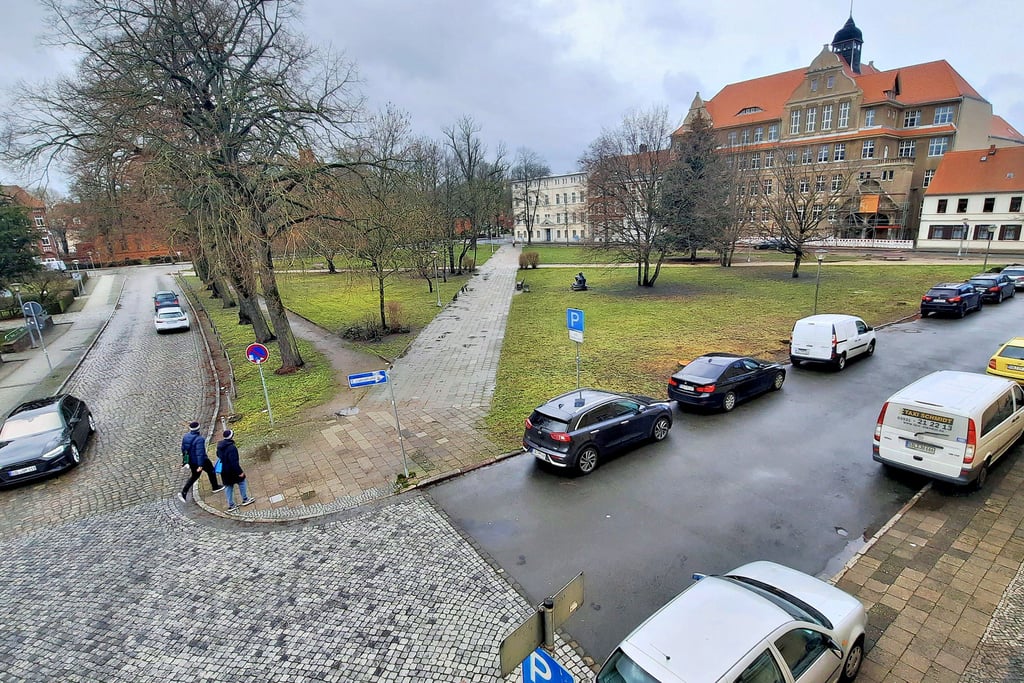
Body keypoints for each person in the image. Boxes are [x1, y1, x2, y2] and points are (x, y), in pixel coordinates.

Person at [178, 421, 223, 502]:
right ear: (198, 428)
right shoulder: (200, 439)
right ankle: (215, 487)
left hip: (191, 461)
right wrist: (200, 465)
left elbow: (183, 449)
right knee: (211, 471)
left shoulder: (186, 436)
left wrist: (185, 461)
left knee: (194, 476)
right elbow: (200, 453)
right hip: (201, 461)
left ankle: (184, 492)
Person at [216, 429, 254, 512]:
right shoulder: (232, 448)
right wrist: (240, 472)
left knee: (228, 486)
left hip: (224, 470)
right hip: (232, 471)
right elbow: (234, 462)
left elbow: (218, 455)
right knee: (242, 482)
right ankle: (245, 499)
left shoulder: (219, 446)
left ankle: (231, 505)